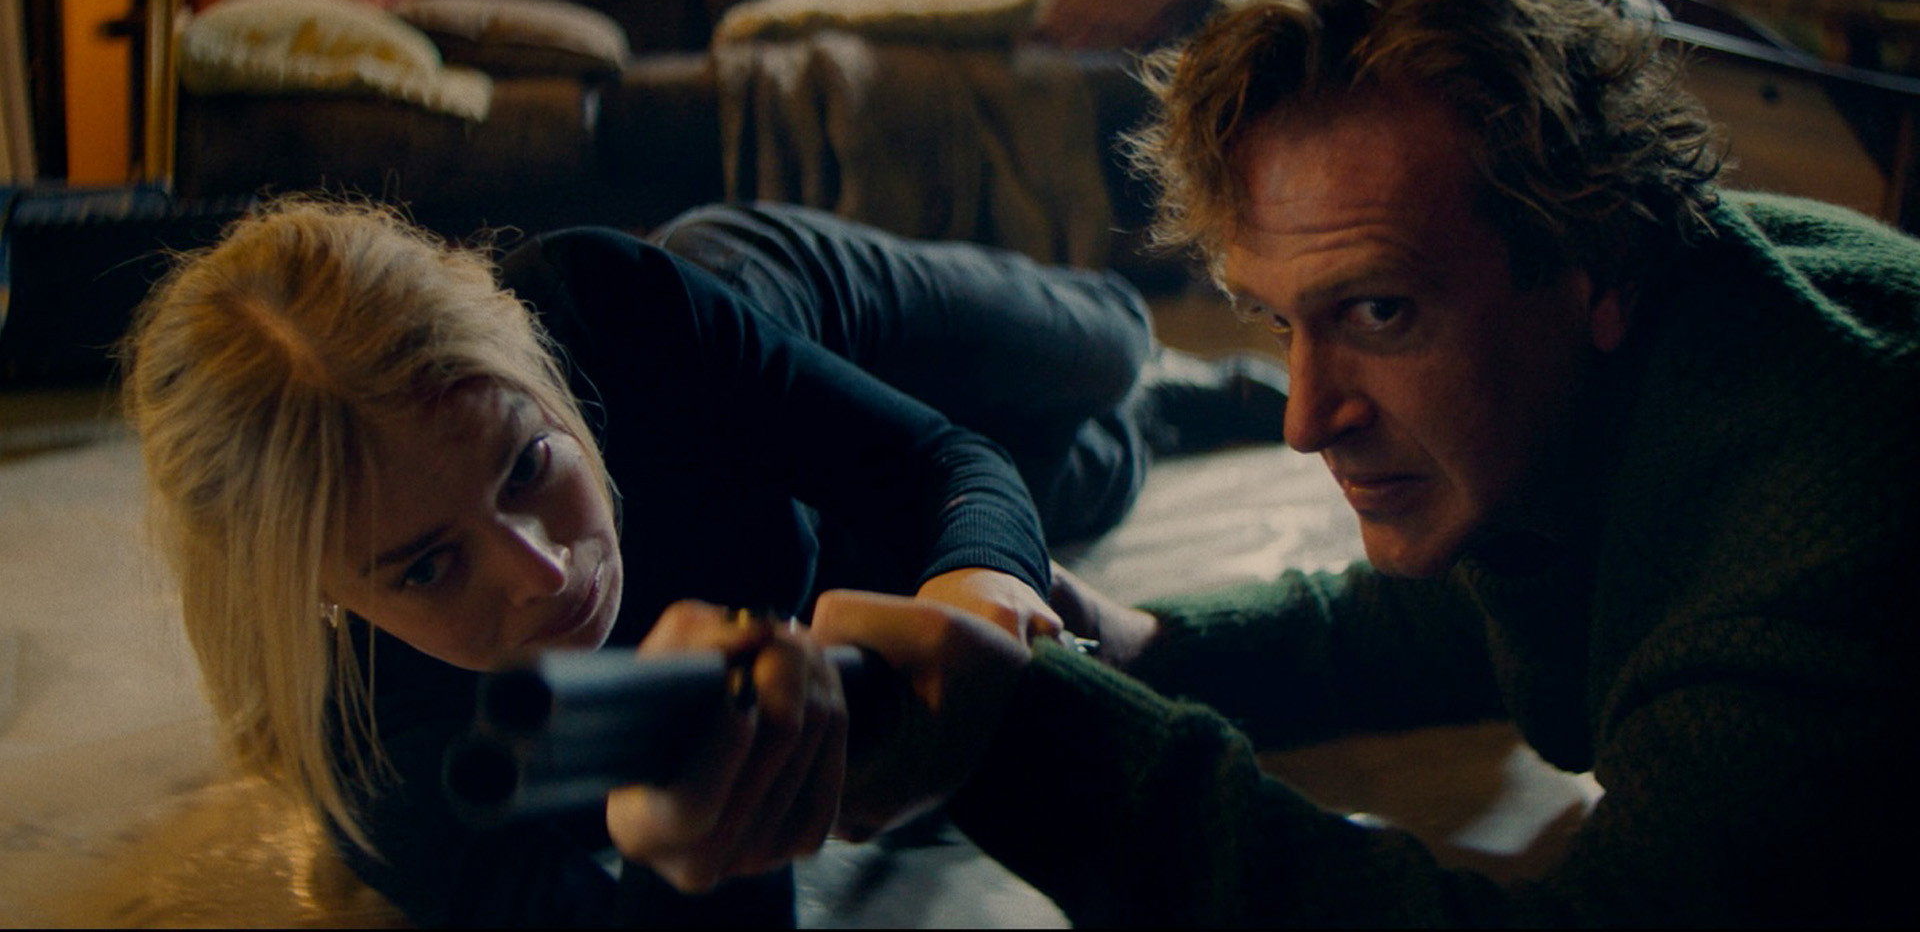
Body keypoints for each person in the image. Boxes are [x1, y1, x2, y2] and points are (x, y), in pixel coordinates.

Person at [700, 0, 1920, 926]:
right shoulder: (1657, 312)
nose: (1302, 419)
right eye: (1282, 322)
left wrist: (1031, 744)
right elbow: (1470, 612)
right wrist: (1144, 649)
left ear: (1600, 266)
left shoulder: (1817, 560)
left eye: (1380, 312)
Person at [119, 196, 1288, 927]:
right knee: (1089, 472)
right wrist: (699, 858)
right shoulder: (388, 771)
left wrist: (981, 595)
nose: (540, 572)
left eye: (528, 466)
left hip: (775, 300)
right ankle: (1166, 418)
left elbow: (938, 462)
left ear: (536, 368)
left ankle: (1152, 381)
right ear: (320, 594)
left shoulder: (612, 307)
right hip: (823, 535)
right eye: (425, 568)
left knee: (1104, 345)